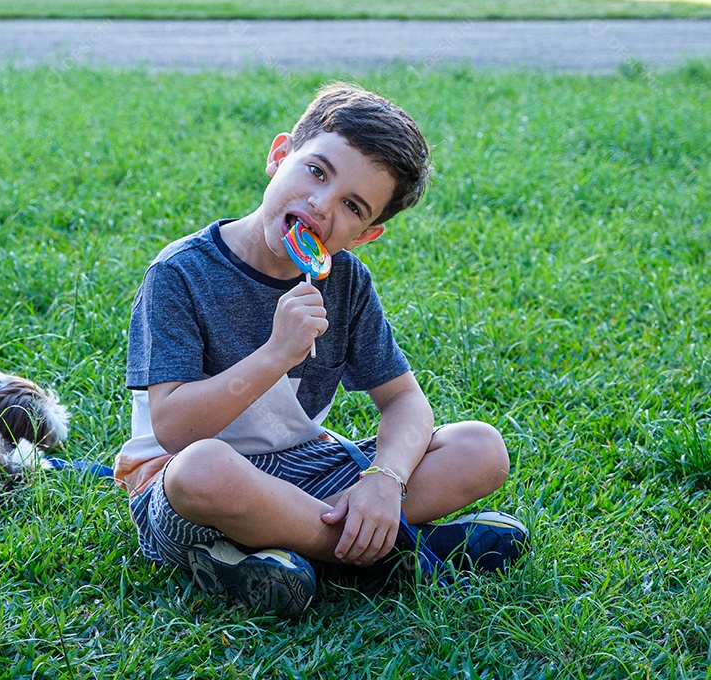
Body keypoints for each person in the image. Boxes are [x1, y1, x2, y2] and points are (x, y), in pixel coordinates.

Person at [113, 82, 527, 615]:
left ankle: (287, 551)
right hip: (186, 488)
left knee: (480, 448)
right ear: (279, 155)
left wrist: (384, 481)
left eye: (352, 205)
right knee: (203, 469)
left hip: (307, 468)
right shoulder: (181, 274)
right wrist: (276, 353)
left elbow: (404, 401)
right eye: (316, 171)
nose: (320, 204)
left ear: (364, 235)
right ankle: (396, 549)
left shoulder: (346, 281)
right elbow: (175, 429)